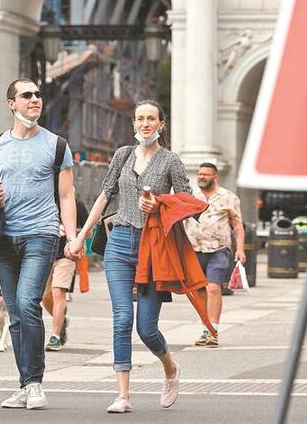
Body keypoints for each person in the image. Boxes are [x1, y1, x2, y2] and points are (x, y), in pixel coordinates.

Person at [72, 100, 188, 414]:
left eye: (152, 118)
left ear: (162, 124)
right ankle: (123, 395)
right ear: (133, 123)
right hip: (119, 242)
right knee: (122, 319)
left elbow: (188, 202)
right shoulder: (122, 155)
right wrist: (81, 236)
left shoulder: (170, 160)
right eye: (140, 119)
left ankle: (170, 367)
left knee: (146, 329)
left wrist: (160, 203)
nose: (145, 124)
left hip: (154, 248)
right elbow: (105, 194)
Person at [0, 79, 79, 410]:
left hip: (42, 232)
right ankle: (24, 384)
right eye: (27, 95)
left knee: (27, 303)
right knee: (14, 314)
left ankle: (36, 382)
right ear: (12, 103)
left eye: (38, 95)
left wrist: (72, 236)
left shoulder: (56, 145)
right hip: (4, 237)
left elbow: (67, 195)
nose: (35, 99)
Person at [183, 162, 245, 347]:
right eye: (200, 174)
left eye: (206, 174)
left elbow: (238, 226)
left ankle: (213, 330)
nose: (202, 177)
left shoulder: (228, 197)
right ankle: (206, 329)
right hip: (193, 249)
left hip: (218, 250)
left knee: (214, 288)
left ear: (215, 177)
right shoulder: (190, 196)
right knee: (198, 291)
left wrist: (240, 249)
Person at [43, 201, 89, 351]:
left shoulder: (77, 206)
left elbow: (89, 232)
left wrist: (72, 232)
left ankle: (55, 337)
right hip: (45, 253)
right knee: (44, 297)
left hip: (67, 254)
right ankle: (62, 320)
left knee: (58, 292)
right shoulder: (45, 202)